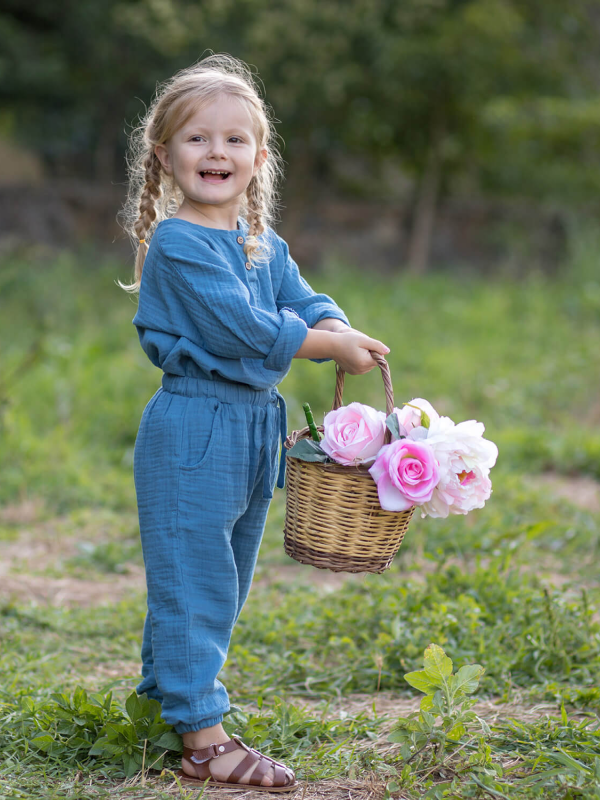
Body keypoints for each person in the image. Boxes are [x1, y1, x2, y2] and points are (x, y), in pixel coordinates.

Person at [119, 53, 390, 791]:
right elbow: (244, 328)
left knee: (224, 581)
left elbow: (302, 300)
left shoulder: (262, 244)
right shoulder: (178, 242)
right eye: (198, 138)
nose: (217, 152)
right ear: (165, 154)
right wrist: (327, 347)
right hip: (194, 427)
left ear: (259, 155)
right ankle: (204, 740)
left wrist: (335, 323)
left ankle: (165, 705)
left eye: (235, 139)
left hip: (251, 429)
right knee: (195, 579)